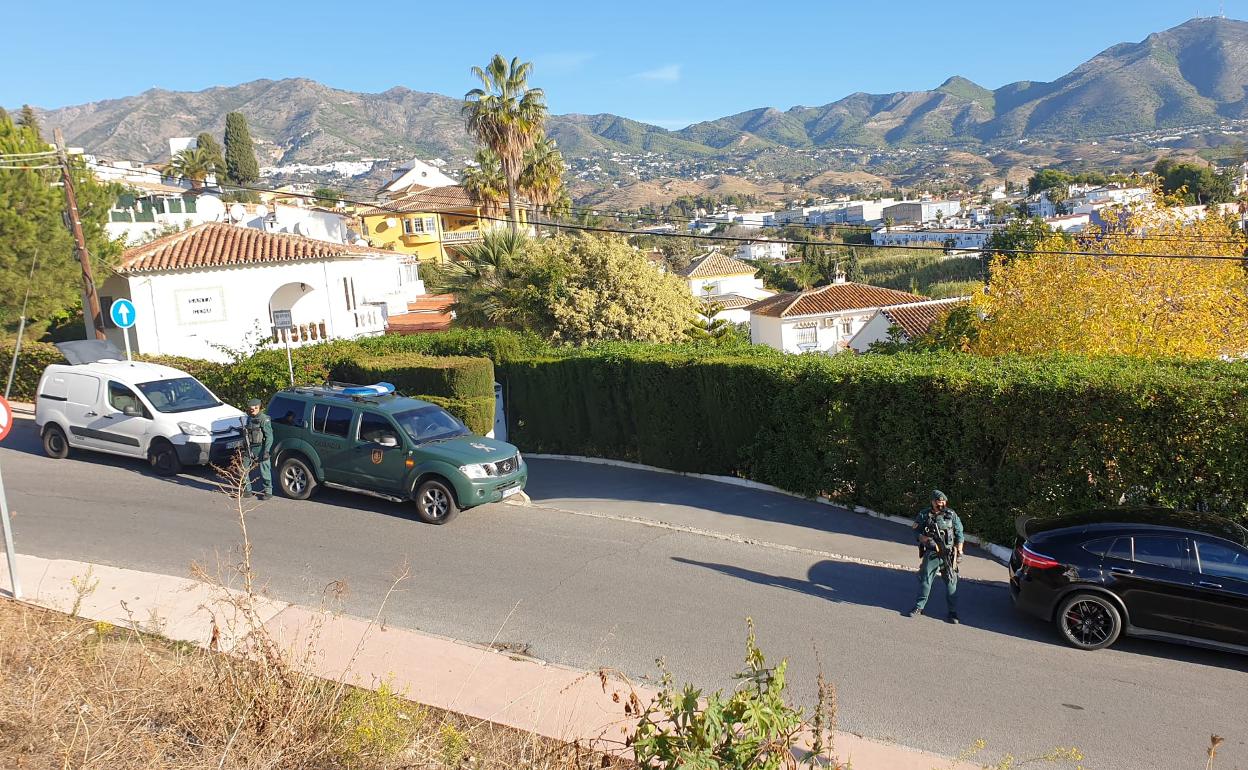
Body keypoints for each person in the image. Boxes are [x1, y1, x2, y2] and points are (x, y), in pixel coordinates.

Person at [907, 490, 964, 623]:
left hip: (948, 555)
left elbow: (960, 533)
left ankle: (952, 612)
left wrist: (960, 552)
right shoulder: (924, 514)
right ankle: (919, 607)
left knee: (951, 582)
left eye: (943, 502)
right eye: (938, 502)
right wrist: (924, 539)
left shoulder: (952, 515)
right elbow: (915, 530)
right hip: (932, 554)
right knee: (926, 580)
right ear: (933, 502)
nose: (941, 504)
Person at [242, 398, 273, 500]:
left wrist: (267, 451)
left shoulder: (264, 419)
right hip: (250, 447)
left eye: (255, 408)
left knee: (265, 471)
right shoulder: (249, 418)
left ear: (259, 407)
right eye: (251, 409)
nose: (253, 410)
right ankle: (247, 490)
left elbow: (269, 436)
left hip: (261, 448)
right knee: (244, 468)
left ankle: (268, 491)